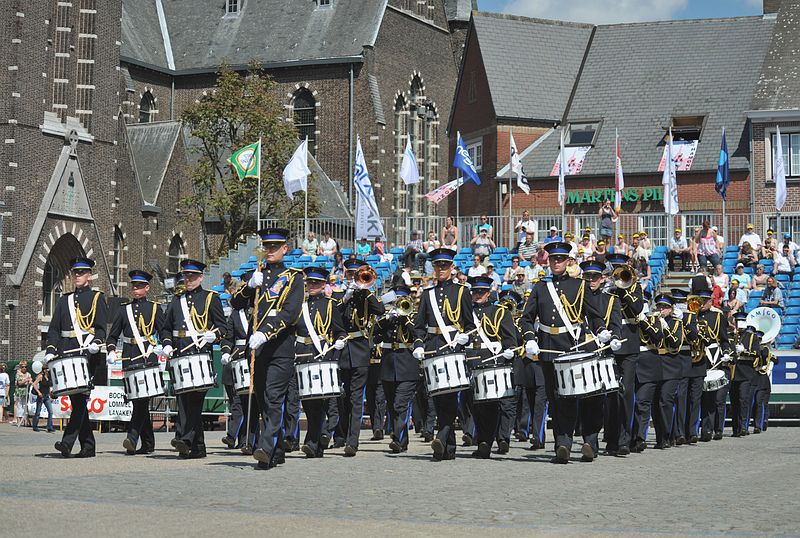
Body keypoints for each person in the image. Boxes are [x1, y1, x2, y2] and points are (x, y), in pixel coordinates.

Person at [518, 242, 609, 463]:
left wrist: (603, 331)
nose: (556, 263)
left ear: (568, 261)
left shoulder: (580, 285)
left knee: (585, 397)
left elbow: (594, 315)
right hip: (549, 349)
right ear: (548, 262)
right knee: (557, 399)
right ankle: (563, 445)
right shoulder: (541, 288)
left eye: (560, 259)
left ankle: (590, 442)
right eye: (553, 259)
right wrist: (530, 337)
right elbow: (526, 318)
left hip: (574, 346)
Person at [231, 228, 304, 469]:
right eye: (267, 247)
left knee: (274, 398)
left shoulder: (294, 278)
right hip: (257, 350)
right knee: (262, 399)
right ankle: (278, 447)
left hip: (279, 347)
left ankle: (266, 448)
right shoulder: (258, 275)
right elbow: (235, 302)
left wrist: (265, 332)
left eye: (275, 247)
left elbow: (290, 313)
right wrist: (250, 286)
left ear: (285, 249)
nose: (270, 251)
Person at [412, 248, 475, 460]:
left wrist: (465, 336)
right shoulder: (428, 294)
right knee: (437, 398)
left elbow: (470, 324)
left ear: (452, 268)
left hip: (452, 347)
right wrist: (419, 344)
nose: (440, 270)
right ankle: (448, 448)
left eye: (444, 266)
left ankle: (441, 436)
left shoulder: (462, 291)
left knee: (449, 396)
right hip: (432, 347)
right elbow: (419, 325)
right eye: (437, 266)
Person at [161, 259, 226, 459]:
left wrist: (214, 335)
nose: (188, 280)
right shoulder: (176, 300)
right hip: (180, 355)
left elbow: (223, 327)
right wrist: (167, 343)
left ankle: (185, 438)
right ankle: (198, 447)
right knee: (182, 401)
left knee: (195, 401)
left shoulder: (210, 298)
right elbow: (165, 327)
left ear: (201, 277)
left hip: (199, 357)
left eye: (192, 276)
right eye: (186, 276)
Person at [45, 257, 107, 457]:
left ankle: (67, 442)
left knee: (80, 399)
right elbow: (54, 329)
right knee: (78, 402)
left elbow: (100, 329)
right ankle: (88, 446)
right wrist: (51, 349)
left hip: (86, 355)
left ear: (89, 276)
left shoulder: (97, 298)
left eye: (81, 273)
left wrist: (96, 343)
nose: (77, 276)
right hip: (67, 354)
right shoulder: (65, 300)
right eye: (75, 273)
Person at [107, 270, 165, 455]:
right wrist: (110, 350)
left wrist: (163, 346)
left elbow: (165, 332)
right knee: (137, 401)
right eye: (134, 285)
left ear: (147, 288)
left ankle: (132, 437)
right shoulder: (124, 310)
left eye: (139, 285)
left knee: (142, 400)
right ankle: (148, 444)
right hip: (130, 357)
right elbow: (113, 335)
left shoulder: (155, 308)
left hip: (148, 357)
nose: (135, 288)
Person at [334, 259, 385, 456]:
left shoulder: (366, 296)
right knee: (343, 397)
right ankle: (342, 435)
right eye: (351, 275)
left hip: (361, 350)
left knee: (356, 397)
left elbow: (380, 310)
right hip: (343, 350)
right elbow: (334, 317)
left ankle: (352, 441)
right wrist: (346, 298)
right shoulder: (340, 295)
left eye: (358, 275)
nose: (355, 278)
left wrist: (364, 290)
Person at [295, 266, 347, 458]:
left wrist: (339, 341)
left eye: (316, 283)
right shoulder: (299, 306)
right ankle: (316, 443)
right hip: (302, 355)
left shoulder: (330, 305)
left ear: (324, 284)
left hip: (323, 354)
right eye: (309, 282)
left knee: (319, 402)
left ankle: (312, 442)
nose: (312, 286)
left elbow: (340, 330)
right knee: (308, 403)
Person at [466, 275, 518, 458]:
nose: (478, 295)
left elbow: (510, 338)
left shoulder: (500, 312)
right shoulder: (466, 312)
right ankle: (483, 439)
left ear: (488, 293)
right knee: (474, 407)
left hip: (492, 360)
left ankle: (485, 443)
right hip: (470, 361)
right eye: (475, 292)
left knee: (490, 405)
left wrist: (510, 350)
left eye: (481, 292)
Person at [580, 260, 624, 460]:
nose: (591, 281)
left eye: (595, 277)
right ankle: (590, 442)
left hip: (604, 353)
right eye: (587, 277)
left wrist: (614, 338)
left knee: (608, 401)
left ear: (603, 278)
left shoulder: (611, 300)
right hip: (583, 352)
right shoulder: (576, 298)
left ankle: (611, 441)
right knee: (586, 400)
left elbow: (615, 324)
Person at [373, 286, 421, 454]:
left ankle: (397, 438)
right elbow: (374, 332)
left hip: (407, 365)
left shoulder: (414, 317)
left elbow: (418, 335)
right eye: (395, 301)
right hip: (388, 365)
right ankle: (402, 440)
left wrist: (405, 319)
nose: (398, 304)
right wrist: (388, 319)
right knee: (392, 406)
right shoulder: (388, 318)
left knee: (400, 404)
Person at [605, 253, 644, 456]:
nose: (619, 273)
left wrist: (624, 288)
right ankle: (611, 439)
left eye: (622, 270)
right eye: (616, 270)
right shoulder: (607, 289)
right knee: (610, 394)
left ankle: (625, 439)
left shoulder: (634, 286)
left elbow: (637, 307)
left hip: (628, 344)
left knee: (626, 392)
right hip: (609, 343)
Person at [220, 271, 260, 454]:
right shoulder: (235, 314)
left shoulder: (261, 310)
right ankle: (247, 441)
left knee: (257, 402)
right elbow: (229, 337)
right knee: (243, 401)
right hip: (239, 360)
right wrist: (226, 352)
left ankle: (256, 440)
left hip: (258, 357)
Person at [31, 365, 54, 433]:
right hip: (41, 396)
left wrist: (50, 394)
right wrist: (38, 392)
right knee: (38, 412)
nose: (48, 370)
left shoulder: (49, 377)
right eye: (47, 369)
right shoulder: (40, 376)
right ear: (44, 370)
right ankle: (35, 426)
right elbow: (34, 384)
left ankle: (49, 427)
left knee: (50, 412)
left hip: (47, 396)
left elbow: (49, 387)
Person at [13, 361, 31, 427]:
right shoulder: (18, 373)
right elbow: (19, 383)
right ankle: (18, 420)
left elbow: (30, 381)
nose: (24, 368)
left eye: (25, 367)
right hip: (19, 392)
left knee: (25, 406)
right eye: (22, 367)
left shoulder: (28, 374)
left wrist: (30, 381)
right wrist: (26, 380)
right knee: (19, 406)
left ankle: (25, 421)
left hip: (26, 392)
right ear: (20, 367)